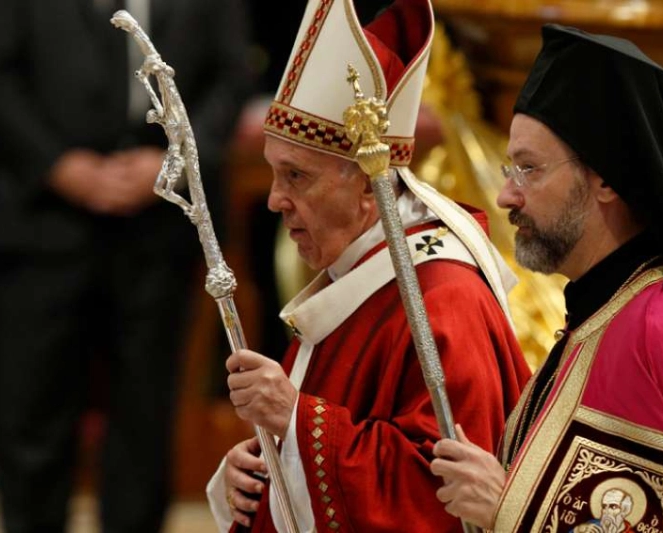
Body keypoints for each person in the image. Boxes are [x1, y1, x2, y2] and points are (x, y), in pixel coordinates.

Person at [430, 24, 663, 532]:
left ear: (606, 179)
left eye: (529, 169)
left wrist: (510, 510)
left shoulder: (660, 335)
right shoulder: (600, 315)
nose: (505, 195)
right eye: (510, 167)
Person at [205, 0, 531, 531]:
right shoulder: (358, 274)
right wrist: (257, 471)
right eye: (273, 174)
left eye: (296, 177)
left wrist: (294, 418)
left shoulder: (443, 301)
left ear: (364, 185)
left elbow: (439, 500)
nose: (274, 200)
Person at [0, 0, 255, 531]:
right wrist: (58, 165)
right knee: (32, 414)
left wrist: (174, 157)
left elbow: (233, 74)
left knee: (145, 413)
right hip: (43, 219)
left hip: (159, 220)